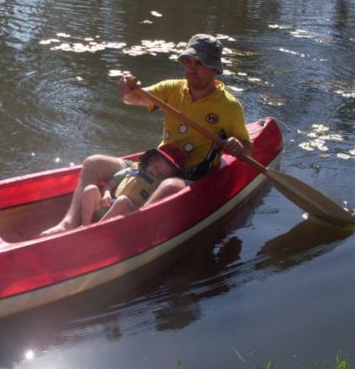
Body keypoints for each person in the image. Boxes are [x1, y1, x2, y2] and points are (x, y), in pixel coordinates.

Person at [42, 33, 251, 236]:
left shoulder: (229, 107)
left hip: (187, 177)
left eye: (199, 63)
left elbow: (247, 147)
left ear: (214, 69)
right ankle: (68, 224)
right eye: (188, 61)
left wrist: (238, 147)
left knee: (170, 186)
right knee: (93, 162)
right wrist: (127, 88)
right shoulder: (172, 88)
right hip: (158, 164)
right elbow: (133, 98)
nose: (191, 68)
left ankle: (133, 231)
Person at [80, 144, 185, 226]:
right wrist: (106, 194)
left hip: (127, 215)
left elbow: (152, 208)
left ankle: (95, 231)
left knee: (122, 200)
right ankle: (86, 226)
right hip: (108, 206)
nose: (157, 174)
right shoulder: (132, 170)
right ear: (151, 161)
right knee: (91, 189)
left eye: (163, 175)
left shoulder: (159, 186)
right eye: (157, 168)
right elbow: (109, 185)